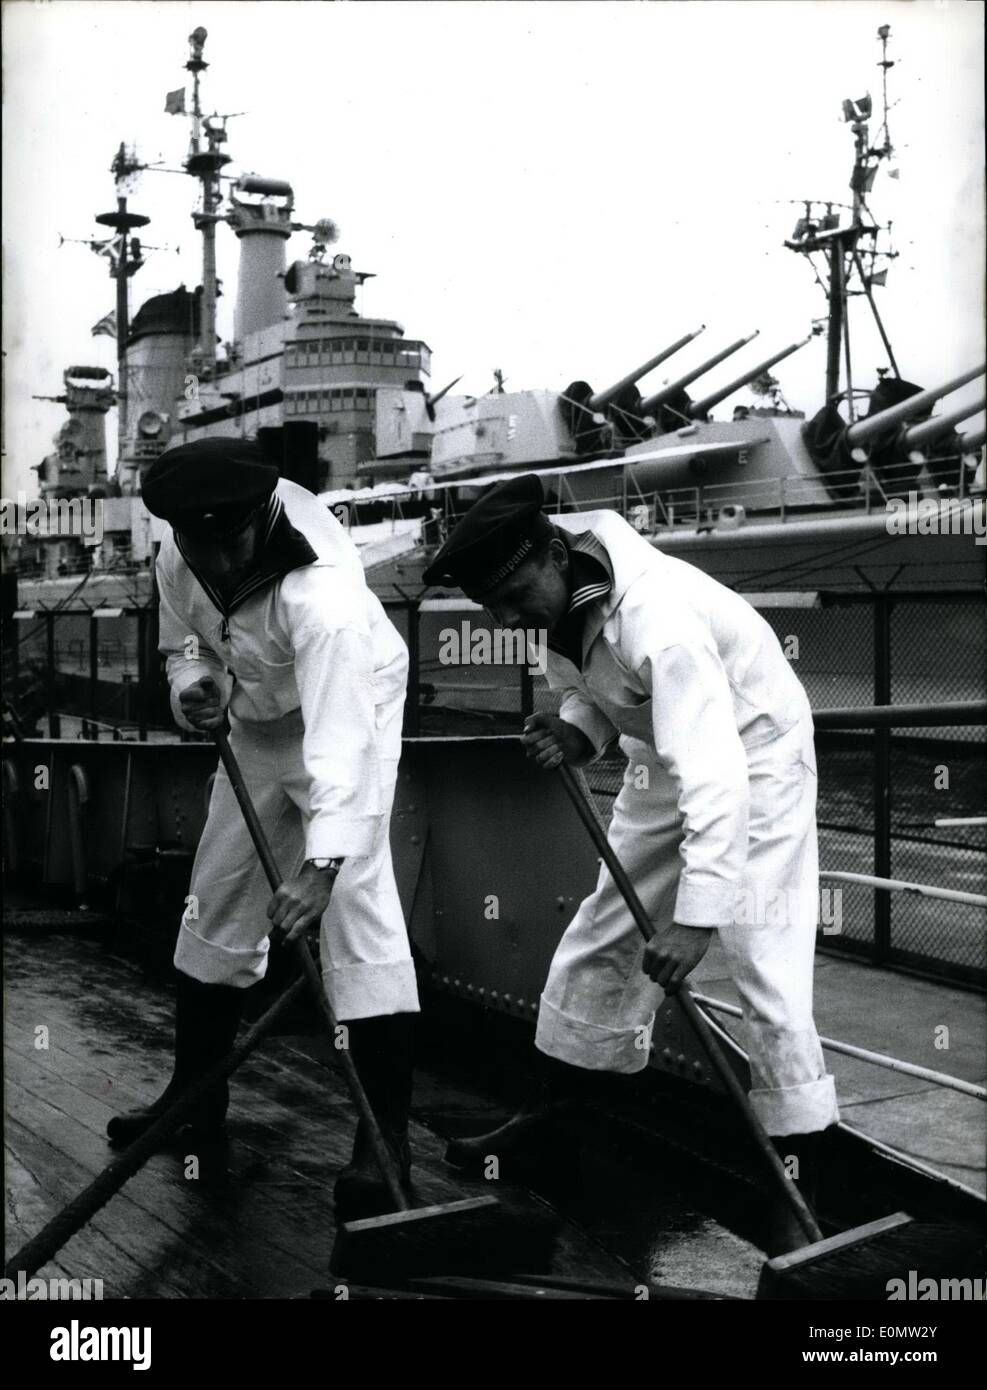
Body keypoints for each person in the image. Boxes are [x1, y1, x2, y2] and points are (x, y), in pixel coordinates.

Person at [422, 473, 838, 1253]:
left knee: (765, 975)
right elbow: (601, 696)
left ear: (553, 553)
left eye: (515, 595)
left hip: (755, 763)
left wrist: (695, 920)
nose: (511, 618)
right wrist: (579, 728)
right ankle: (560, 1125)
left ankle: (797, 1184)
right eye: (496, 609)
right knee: (599, 939)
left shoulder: (659, 617)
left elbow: (715, 772)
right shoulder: (563, 594)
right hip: (661, 756)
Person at [107, 437, 419, 1220]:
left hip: (348, 709)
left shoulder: (325, 599)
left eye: (232, 543)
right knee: (215, 897)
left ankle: (383, 1144)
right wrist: (195, 687)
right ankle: (193, 1105)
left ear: (263, 518)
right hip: (254, 721)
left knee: (359, 917)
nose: (217, 561)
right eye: (200, 546)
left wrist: (321, 865)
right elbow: (185, 641)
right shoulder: (181, 553)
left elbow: (343, 740)